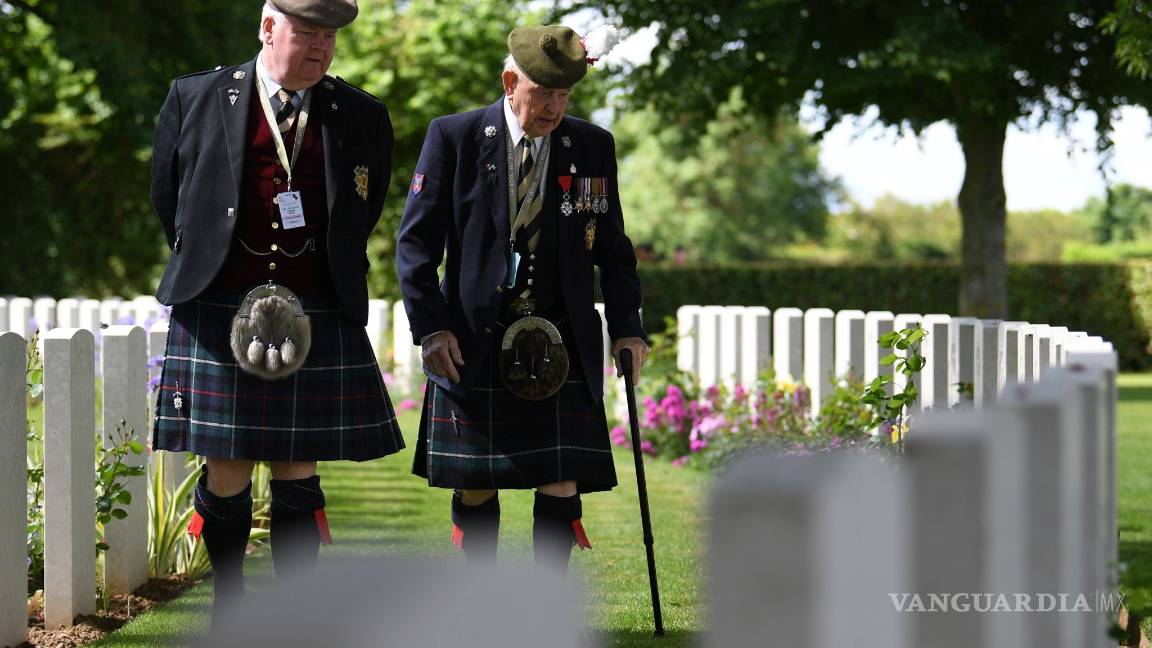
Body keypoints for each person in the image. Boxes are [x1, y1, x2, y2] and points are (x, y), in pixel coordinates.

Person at [149, 0, 402, 624]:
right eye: (306, 34)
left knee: (297, 463)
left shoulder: (361, 114)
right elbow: (168, 193)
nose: (320, 48)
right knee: (227, 461)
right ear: (267, 29)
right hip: (218, 302)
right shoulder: (198, 97)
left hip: (313, 308)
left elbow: (363, 210)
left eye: (329, 38)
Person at [396, 24, 648, 573]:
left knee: (560, 480)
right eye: (544, 94)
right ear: (511, 81)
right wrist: (430, 329)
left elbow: (613, 248)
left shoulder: (590, 147)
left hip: (559, 341)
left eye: (564, 95)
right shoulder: (455, 137)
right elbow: (415, 244)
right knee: (477, 483)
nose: (555, 107)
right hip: (472, 340)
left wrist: (629, 326)